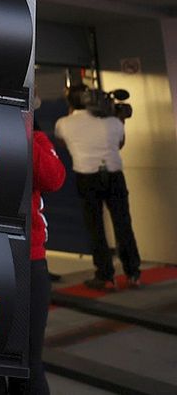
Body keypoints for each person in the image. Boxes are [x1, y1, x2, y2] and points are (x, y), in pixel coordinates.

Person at [0, 122, 65, 395]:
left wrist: (20, 130)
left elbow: (54, 178)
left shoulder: (35, 138)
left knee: (27, 365)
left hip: (28, 263)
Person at [55, 84, 141, 291]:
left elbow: (63, 143)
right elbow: (119, 144)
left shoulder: (63, 123)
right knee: (123, 224)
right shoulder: (113, 121)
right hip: (114, 175)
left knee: (96, 228)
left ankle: (105, 276)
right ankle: (133, 274)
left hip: (87, 177)